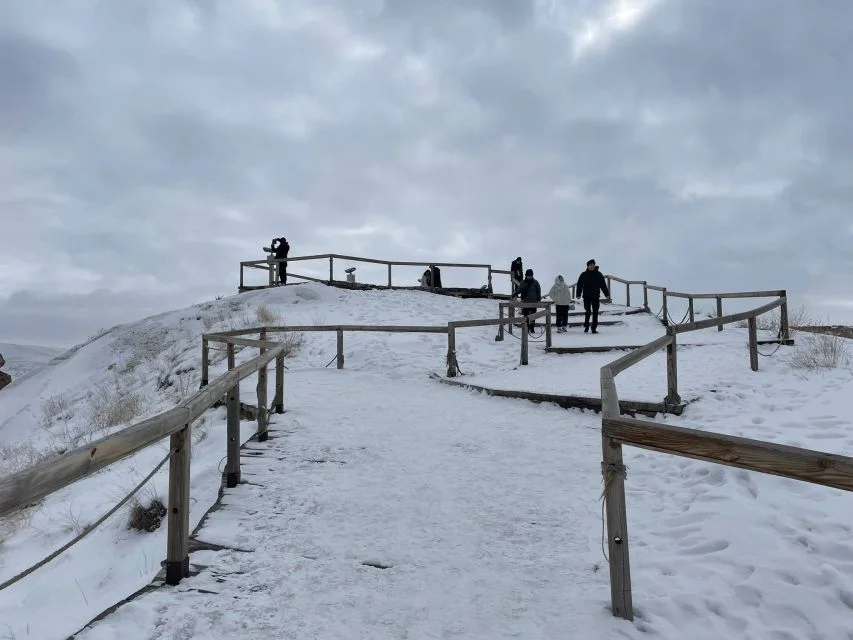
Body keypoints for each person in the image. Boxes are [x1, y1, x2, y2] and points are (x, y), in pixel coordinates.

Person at [575, 259, 610, 333]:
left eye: (593, 265)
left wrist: (607, 294)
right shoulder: (583, 274)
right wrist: (578, 294)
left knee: (595, 312)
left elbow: (603, 285)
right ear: (588, 266)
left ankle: (594, 328)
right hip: (586, 296)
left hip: (596, 296)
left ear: (594, 265)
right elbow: (579, 285)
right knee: (587, 311)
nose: (592, 266)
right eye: (590, 265)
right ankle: (586, 326)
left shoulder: (599, 274)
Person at [516, 268, 542, 333]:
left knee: (533, 316)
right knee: (526, 316)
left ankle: (532, 328)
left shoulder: (536, 282)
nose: (529, 276)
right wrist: (514, 295)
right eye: (528, 275)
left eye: (530, 275)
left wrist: (539, 298)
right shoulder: (523, 282)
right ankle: (526, 328)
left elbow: (538, 291)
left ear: (532, 275)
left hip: (534, 302)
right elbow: (519, 290)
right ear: (526, 275)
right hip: (525, 302)